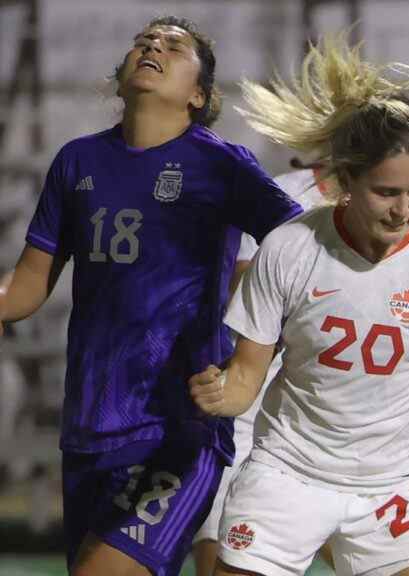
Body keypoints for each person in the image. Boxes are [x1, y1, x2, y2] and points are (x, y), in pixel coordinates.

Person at [187, 34, 409, 576]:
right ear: (345, 182)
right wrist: (218, 394)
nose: (404, 211)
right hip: (290, 474)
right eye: (387, 193)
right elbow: (245, 380)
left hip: (394, 485)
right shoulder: (288, 248)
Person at [0, 15, 302, 576]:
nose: (152, 46)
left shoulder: (222, 164)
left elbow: (301, 250)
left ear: (199, 95)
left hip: (177, 429)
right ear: (119, 79)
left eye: (173, 44)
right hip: (88, 428)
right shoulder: (77, 161)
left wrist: (251, 325)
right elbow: (26, 284)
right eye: (144, 41)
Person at [192, 166, 329, 576]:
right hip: (256, 396)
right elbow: (243, 291)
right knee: (225, 538)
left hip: (347, 413)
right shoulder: (281, 193)